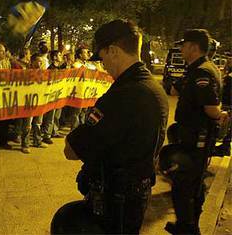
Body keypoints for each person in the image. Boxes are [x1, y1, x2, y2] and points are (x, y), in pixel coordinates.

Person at [52, 20, 169, 234]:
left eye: (103, 56)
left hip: (117, 199)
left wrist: (74, 136)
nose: (103, 63)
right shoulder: (152, 86)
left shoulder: (125, 94)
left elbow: (72, 150)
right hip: (134, 193)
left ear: (113, 50)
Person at [165, 29, 229, 234]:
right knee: (189, 182)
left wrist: (221, 114)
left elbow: (211, 109)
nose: (181, 49)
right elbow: (175, 90)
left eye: (184, 45)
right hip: (190, 135)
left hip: (196, 138)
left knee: (185, 185)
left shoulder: (202, 72)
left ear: (193, 47)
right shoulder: (196, 69)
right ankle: (188, 224)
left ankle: (188, 228)